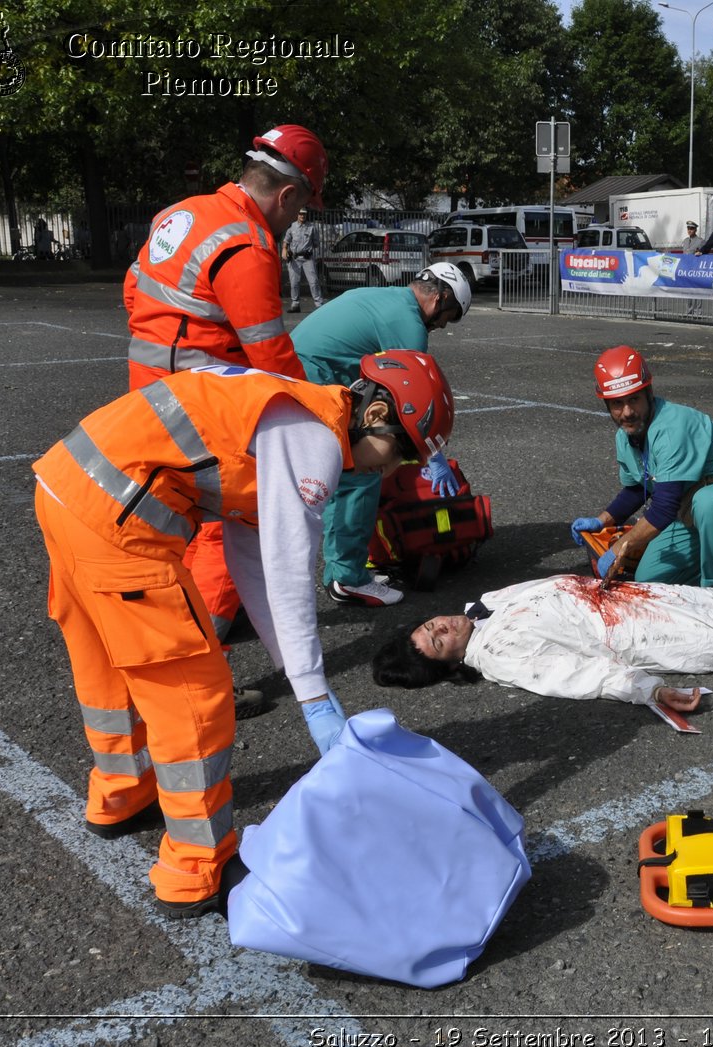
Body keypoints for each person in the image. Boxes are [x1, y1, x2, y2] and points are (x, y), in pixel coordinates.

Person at [33, 351, 457, 919]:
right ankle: (196, 870)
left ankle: (121, 791)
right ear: (375, 410)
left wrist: (299, 675)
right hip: (118, 526)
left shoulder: (291, 410)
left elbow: (251, 555)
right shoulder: (314, 443)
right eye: (397, 450)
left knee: (110, 669)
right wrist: (312, 696)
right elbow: (286, 569)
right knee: (194, 698)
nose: (387, 471)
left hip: (67, 490)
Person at [121, 124, 328, 684]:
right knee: (237, 516)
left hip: (148, 392)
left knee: (174, 522)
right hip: (200, 403)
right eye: (300, 208)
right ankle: (196, 659)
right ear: (288, 196)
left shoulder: (180, 214)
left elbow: (133, 288)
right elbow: (272, 356)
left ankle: (170, 634)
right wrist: (321, 412)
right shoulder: (249, 242)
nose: (293, 224)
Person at [370, 575, 713, 716]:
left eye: (430, 626)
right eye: (437, 642)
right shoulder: (499, 654)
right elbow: (574, 674)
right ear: (448, 665)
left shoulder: (485, 604)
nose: (441, 627)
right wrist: (649, 690)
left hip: (644, 598)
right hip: (651, 635)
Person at [291, 262, 473, 607]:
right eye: (450, 316)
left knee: (342, 470)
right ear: (441, 299)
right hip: (313, 373)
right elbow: (416, 402)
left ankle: (342, 571)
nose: (444, 324)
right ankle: (348, 577)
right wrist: (432, 455)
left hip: (300, 368)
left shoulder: (386, 297)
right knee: (362, 471)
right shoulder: (409, 324)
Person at [570, 346, 713, 590]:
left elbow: (664, 507)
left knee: (709, 502)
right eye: (617, 404)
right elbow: (636, 489)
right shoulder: (625, 436)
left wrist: (622, 546)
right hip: (688, 510)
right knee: (649, 580)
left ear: (649, 393)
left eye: (634, 399)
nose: (628, 412)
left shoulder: (671, 427)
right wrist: (600, 521)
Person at [282, 207, 323, 313]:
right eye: (300, 214)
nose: (302, 216)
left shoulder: (312, 227)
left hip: (307, 258)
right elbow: (286, 241)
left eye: (304, 214)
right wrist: (284, 250)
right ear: (297, 214)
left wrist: (314, 254)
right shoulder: (292, 227)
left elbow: (316, 243)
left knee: (313, 281)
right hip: (295, 258)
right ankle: (295, 304)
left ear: (306, 215)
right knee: (294, 283)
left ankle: (319, 304)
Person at [681, 221, 705, 316]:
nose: (689, 230)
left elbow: (703, 253)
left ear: (695, 230)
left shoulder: (700, 241)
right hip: (687, 269)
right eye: (688, 228)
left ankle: (698, 312)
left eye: (692, 229)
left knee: (697, 291)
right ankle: (689, 310)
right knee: (688, 291)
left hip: (696, 269)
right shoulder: (685, 241)